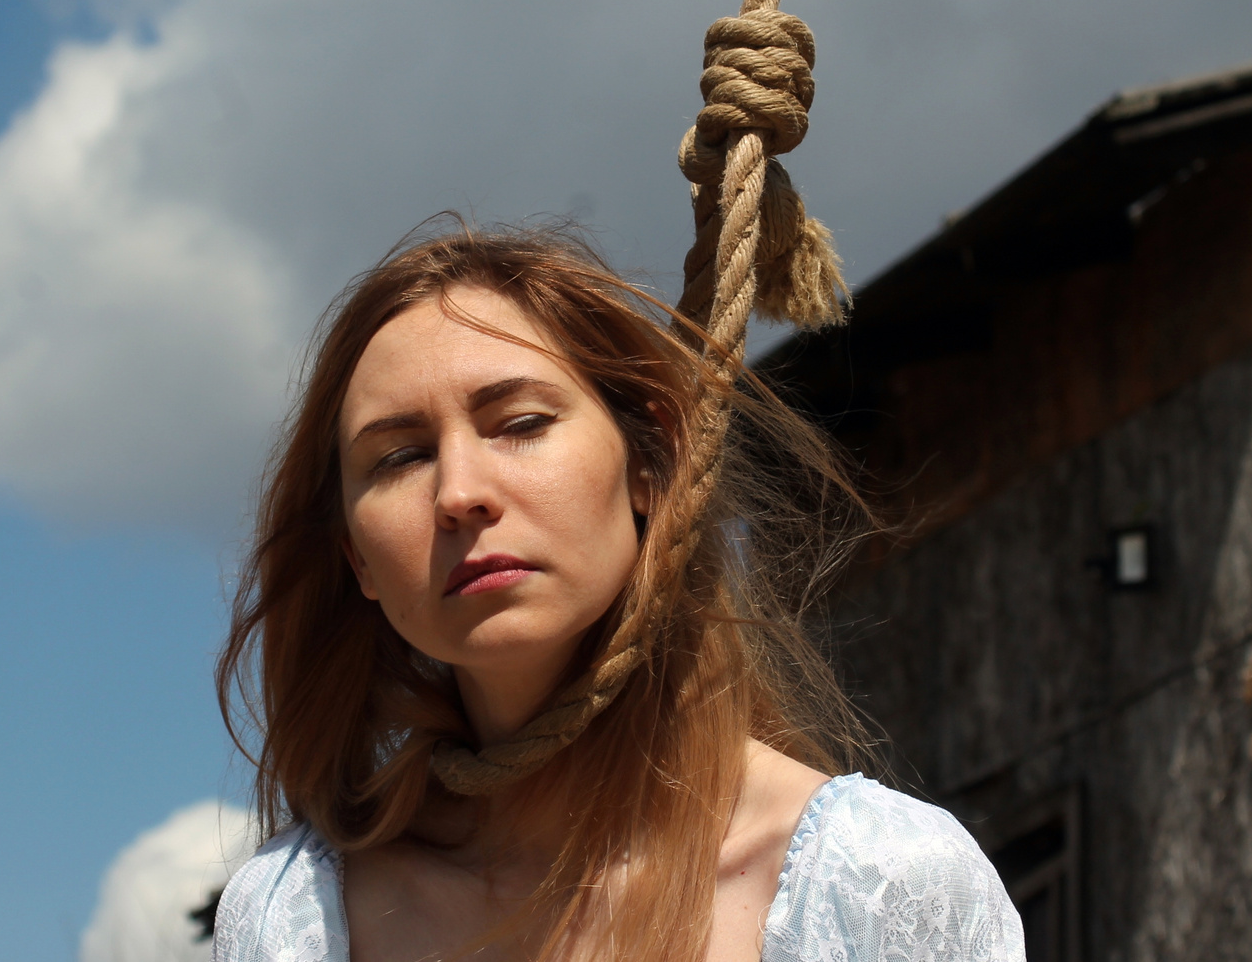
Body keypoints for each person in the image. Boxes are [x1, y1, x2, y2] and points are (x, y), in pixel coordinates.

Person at [213, 224, 1023, 962]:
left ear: (649, 463)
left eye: (521, 424)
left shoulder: (876, 885)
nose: (458, 493)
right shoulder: (297, 919)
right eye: (399, 458)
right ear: (356, 558)